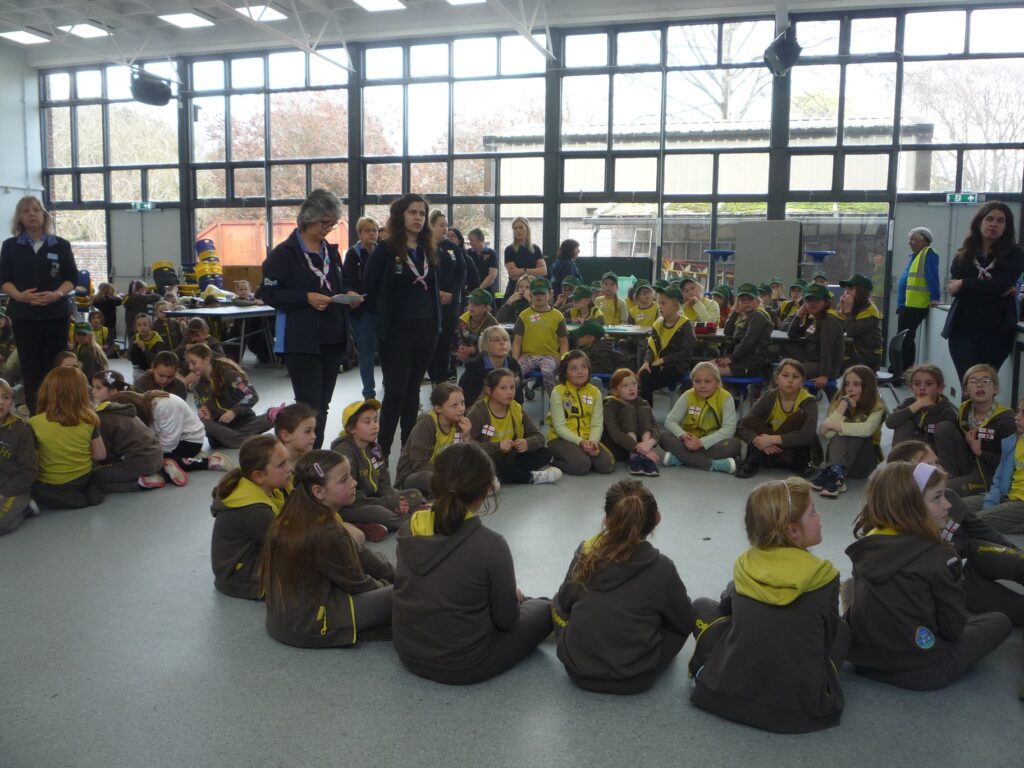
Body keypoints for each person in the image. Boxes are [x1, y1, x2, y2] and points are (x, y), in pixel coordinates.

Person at [689, 477, 849, 733]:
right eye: (813, 513)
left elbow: (727, 606)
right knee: (842, 630)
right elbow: (828, 636)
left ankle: (712, 669)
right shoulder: (826, 576)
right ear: (793, 530)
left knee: (703, 606)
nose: (819, 517)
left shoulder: (745, 565)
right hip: (798, 712)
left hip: (723, 696)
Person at [392, 443, 552, 684]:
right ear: (487, 489)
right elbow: (506, 621)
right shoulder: (491, 544)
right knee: (545, 609)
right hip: (464, 664)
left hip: (409, 651)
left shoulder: (409, 527)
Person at [844, 462, 1011, 690]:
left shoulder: (866, 544)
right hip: (923, 669)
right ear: (909, 507)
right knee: (998, 621)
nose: (948, 504)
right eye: (937, 498)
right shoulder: (941, 556)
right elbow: (952, 628)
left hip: (864, 661)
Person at [553, 479, 693, 694]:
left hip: (577, 671)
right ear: (657, 518)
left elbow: (564, 602)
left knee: (557, 601)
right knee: (675, 620)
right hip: (636, 678)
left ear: (606, 520)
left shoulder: (585, 552)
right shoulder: (662, 567)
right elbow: (684, 621)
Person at [261, 450, 395, 648]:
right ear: (318, 492)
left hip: (284, 620)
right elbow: (358, 584)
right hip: (309, 625)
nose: (353, 483)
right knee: (406, 593)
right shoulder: (325, 531)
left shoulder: (300, 512)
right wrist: (393, 584)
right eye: (344, 479)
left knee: (383, 564)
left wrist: (394, 576)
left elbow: (362, 555)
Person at [890, 440, 1024, 626]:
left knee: (1020, 562)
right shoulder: (900, 525)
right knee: (1018, 608)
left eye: (937, 462)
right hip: (954, 577)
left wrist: (1016, 553)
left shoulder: (949, 496)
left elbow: (981, 529)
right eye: (928, 466)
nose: (938, 469)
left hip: (971, 552)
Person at [261, 189, 349, 449]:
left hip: (333, 337)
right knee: (308, 406)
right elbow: (268, 293)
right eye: (324, 223)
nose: (328, 229)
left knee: (323, 405)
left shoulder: (330, 251)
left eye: (332, 224)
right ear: (308, 218)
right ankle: (302, 458)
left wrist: (348, 296)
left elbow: (334, 286)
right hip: (303, 342)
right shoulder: (283, 254)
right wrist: (305, 297)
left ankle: (315, 455)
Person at [362, 194, 442, 458]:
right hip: (396, 332)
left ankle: (410, 452)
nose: (418, 217)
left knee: (413, 391)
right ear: (400, 216)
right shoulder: (385, 250)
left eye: (422, 213)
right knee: (395, 391)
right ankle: (381, 453)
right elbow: (369, 289)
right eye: (412, 212)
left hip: (427, 329)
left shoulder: (429, 249)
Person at [0, 196, 79, 414]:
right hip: (24, 316)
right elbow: (4, 280)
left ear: (44, 214)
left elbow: (72, 278)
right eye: (26, 211)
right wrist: (19, 296)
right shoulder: (10, 246)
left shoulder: (61, 245)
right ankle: (36, 413)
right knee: (30, 367)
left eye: (36, 209)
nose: (32, 214)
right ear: (20, 217)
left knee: (55, 365)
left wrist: (57, 294)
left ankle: (59, 410)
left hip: (56, 314)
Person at [944, 201, 1024, 382]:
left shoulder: (1015, 254)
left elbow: (999, 286)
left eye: (1000, 220)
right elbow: (955, 290)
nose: (994, 224)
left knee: (985, 385)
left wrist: (965, 283)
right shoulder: (963, 253)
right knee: (969, 383)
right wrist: (994, 290)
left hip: (997, 331)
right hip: (962, 329)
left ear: (1007, 226)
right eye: (989, 219)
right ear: (980, 222)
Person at [210, 435, 292, 600]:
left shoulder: (267, 488)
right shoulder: (254, 510)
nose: (289, 468)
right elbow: (290, 544)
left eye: (288, 461)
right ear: (258, 476)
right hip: (238, 579)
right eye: (281, 465)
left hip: (251, 559)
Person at [331, 399, 426, 536]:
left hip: (375, 499)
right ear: (351, 428)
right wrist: (389, 503)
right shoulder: (344, 453)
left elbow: (384, 483)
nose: (374, 426)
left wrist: (393, 499)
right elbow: (352, 496)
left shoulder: (375, 449)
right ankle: (412, 520)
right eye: (367, 422)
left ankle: (382, 522)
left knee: (414, 494)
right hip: (351, 505)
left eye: (376, 420)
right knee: (379, 512)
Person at [106, 389, 230, 480]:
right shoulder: (145, 404)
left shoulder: (164, 406)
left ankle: (208, 462)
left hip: (189, 441)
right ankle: (179, 461)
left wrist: (147, 455)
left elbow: (170, 443)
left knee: (149, 461)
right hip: (169, 439)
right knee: (146, 458)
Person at [28, 367, 105, 510]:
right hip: (84, 478)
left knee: (34, 488)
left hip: (53, 483)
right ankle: (88, 493)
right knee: (95, 477)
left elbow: (34, 465)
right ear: (82, 392)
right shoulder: (89, 419)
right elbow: (100, 455)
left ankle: (69, 498)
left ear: (46, 390)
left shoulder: (33, 423)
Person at [466, 368, 560, 485]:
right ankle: (532, 477)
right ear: (489, 390)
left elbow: (539, 437)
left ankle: (502, 477)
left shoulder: (516, 408)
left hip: (510, 457)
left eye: (512, 387)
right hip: (486, 459)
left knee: (545, 453)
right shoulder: (479, 412)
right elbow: (467, 447)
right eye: (503, 388)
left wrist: (527, 443)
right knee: (498, 468)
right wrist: (498, 446)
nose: (509, 392)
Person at [933, 364, 1014, 497]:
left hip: (990, 473)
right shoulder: (965, 408)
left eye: (986, 380)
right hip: (967, 462)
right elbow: (954, 440)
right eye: (974, 381)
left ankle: (955, 486)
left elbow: (1011, 463)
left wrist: (980, 453)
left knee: (943, 490)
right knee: (944, 427)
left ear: (996, 388)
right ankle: (951, 477)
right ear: (965, 390)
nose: (980, 385)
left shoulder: (1006, 420)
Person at [736, 358, 819, 479]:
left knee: (797, 418)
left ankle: (757, 457)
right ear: (777, 379)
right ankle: (781, 458)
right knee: (750, 420)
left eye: (795, 377)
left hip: (795, 447)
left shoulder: (809, 401)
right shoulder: (770, 396)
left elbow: (807, 435)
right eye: (785, 375)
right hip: (770, 447)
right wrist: (758, 440)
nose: (790, 380)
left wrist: (772, 439)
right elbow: (743, 424)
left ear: (802, 382)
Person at [812, 365, 884, 498]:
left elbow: (867, 429)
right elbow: (826, 433)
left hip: (862, 464)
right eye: (846, 384)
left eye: (856, 384)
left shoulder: (877, 406)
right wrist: (843, 405)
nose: (849, 389)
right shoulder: (839, 402)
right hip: (835, 460)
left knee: (858, 421)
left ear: (867, 386)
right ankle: (837, 475)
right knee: (843, 426)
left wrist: (835, 425)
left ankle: (836, 474)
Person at [660, 361, 741, 474]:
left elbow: (729, 429)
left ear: (717, 382)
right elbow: (670, 421)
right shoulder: (688, 395)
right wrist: (683, 435)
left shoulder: (726, 398)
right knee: (663, 437)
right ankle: (713, 465)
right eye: (697, 381)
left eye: (707, 381)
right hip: (688, 443)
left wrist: (701, 442)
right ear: (692, 382)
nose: (702, 386)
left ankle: (681, 458)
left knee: (734, 445)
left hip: (713, 443)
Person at [186, 343, 272, 449]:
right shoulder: (197, 388)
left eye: (193, 363)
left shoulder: (229, 374)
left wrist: (234, 411)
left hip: (244, 421)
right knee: (204, 424)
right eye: (188, 364)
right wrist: (206, 416)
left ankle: (235, 439)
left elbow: (251, 395)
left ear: (207, 360)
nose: (190, 367)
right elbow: (202, 411)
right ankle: (247, 440)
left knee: (274, 416)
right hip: (223, 428)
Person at [395, 382, 472, 496]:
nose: (461, 409)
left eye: (462, 403)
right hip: (413, 476)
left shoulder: (458, 424)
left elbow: (460, 458)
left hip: (445, 473)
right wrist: (450, 472)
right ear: (438, 408)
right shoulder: (426, 425)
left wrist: (466, 437)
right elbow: (419, 464)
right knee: (429, 477)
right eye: (454, 406)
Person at [547, 350, 614, 476]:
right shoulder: (558, 392)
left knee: (606, 465)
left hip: (587, 437)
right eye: (574, 368)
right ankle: (553, 459)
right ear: (565, 373)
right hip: (560, 438)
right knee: (581, 466)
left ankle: (581, 455)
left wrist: (593, 441)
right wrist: (580, 442)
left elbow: (597, 423)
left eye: (583, 367)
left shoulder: (595, 392)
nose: (580, 371)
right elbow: (559, 427)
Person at [966, 398, 1024, 535]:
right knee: (953, 506)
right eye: (1019, 411)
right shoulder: (1012, 441)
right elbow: (999, 479)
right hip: (1007, 496)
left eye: (1023, 413)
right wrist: (990, 504)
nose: (1016, 417)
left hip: (1020, 502)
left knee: (972, 523)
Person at [93, 385, 165, 493]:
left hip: (139, 463)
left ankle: (140, 484)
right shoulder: (119, 410)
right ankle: (157, 472)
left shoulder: (101, 419)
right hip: (157, 456)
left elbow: (104, 455)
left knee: (93, 479)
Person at [637, 284, 696, 407]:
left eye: (664, 303)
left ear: (675, 306)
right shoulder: (658, 324)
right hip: (657, 363)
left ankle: (645, 412)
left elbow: (686, 353)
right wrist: (647, 361)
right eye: (659, 303)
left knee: (648, 384)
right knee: (644, 375)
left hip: (677, 366)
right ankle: (646, 412)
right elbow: (651, 346)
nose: (660, 306)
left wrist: (663, 360)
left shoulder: (685, 325)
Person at [427, 210, 467, 387]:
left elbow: (461, 273)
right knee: (431, 344)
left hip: (450, 303)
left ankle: (442, 381)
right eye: (441, 225)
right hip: (430, 304)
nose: (445, 228)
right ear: (431, 226)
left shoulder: (453, 248)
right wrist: (436, 293)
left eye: (446, 225)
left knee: (445, 343)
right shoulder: (424, 247)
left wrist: (452, 293)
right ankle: (433, 378)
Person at [343, 216, 380, 400]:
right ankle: (369, 393)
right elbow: (346, 280)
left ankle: (390, 386)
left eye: (374, 230)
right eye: (367, 231)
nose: (372, 234)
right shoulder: (353, 254)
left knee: (388, 351)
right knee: (366, 352)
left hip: (381, 309)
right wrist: (350, 292)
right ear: (359, 233)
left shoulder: (382, 252)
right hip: (361, 310)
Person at [511, 278, 569, 393]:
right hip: (528, 356)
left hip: (550, 356)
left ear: (550, 294)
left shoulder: (558, 316)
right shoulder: (524, 315)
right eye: (535, 293)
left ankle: (554, 400)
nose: (539, 296)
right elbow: (517, 342)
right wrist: (514, 362)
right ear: (530, 295)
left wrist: (563, 362)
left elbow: (563, 342)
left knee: (547, 371)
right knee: (513, 375)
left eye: (542, 293)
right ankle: (513, 401)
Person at [785, 283, 844, 390]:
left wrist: (823, 375)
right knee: (784, 347)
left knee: (788, 374)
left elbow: (827, 349)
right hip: (812, 359)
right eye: (809, 301)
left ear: (825, 302)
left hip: (826, 367)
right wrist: (798, 315)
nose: (812, 304)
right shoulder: (814, 318)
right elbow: (792, 334)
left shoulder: (828, 321)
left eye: (816, 301)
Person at [896, 227, 941, 368]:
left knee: (906, 339)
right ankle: (898, 368)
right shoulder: (916, 255)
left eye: (913, 239)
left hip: (915, 305)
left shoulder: (928, 253)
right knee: (902, 338)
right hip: (907, 304)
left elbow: (932, 276)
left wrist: (935, 297)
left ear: (924, 240)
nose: (909, 242)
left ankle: (903, 370)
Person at [602, 368, 660, 476]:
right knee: (629, 409)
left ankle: (644, 456)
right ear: (615, 391)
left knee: (644, 410)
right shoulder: (609, 405)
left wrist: (649, 444)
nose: (631, 388)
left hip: (643, 446)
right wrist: (638, 448)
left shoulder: (643, 402)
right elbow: (615, 433)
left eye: (634, 384)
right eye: (625, 386)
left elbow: (655, 427)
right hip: (620, 448)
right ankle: (635, 456)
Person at [884, 363, 958, 449]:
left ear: (940, 388)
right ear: (911, 387)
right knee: (903, 423)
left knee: (942, 427)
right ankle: (900, 456)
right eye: (917, 384)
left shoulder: (946, 410)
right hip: (909, 450)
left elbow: (947, 433)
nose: (922, 388)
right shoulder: (909, 402)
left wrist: (924, 428)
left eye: (928, 384)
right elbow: (890, 423)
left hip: (933, 451)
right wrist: (917, 405)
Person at [0, 377, 38, 535]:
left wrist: (3, 494)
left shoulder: (22, 430)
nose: (1, 402)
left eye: (5, 397)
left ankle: (27, 509)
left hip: (14, 490)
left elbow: (29, 472)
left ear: (11, 401)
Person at [715, 283, 772, 378]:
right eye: (743, 300)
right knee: (703, 367)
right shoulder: (743, 316)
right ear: (738, 302)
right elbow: (727, 331)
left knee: (707, 372)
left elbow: (748, 341)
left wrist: (731, 358)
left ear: (758, 301)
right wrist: (735, 312)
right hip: (739, 358)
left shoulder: (758, 316)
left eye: (750, 299)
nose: (746, 302)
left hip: (751, 363)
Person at [459, 325, 523, 408]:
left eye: (505, 339)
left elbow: (519, 399)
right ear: (485, 344)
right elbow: (469, 402)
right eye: (496, 340)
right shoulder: (474, 369)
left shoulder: (514, 365)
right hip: (480, 411)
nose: (502, 343)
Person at [836, 274, 882, 370]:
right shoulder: (856, 307)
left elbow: (851, 331)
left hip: (868, 355)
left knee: (833, 363)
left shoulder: (871, 312)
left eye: (851, 289)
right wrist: (841, 311)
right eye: (846, 289)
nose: (846, 292)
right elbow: (837, 330)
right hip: (855, 350)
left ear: (862, 292)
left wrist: (847, 311)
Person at [454, 288, 497, 365]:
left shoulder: (491, 323)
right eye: (470, 302)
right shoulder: (463, 319)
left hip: (488, 360)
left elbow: (493, 347)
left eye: (476, 304)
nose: (471, 306)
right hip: (470, 358)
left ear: (486, 308)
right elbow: (462, 339)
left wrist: (472, 350)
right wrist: (462, 350)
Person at [272, 403, 318, 467]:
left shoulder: (313, 462)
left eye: (314, 430)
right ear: (286, 436)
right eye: (307, 431)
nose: (314, 436)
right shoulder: (273, 467)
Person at [503, 216, 546, 283]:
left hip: (533, 287)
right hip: (515, 287)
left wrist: (522, 270)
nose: (518, 230)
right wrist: (535, 272)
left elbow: (543, 271)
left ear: (527, 230)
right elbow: (513, 275)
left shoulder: (536, 249)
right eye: (515, 228)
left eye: (521, 227)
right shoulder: (509, 250)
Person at [466, 228, 498, 294]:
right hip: (470, 291)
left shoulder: (491, 253)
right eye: (469, 240)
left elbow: (492, 274)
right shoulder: (467, 253)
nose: (470, 243)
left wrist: (479, 289)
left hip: (487, 291)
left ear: (480, 239)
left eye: (472, 240)